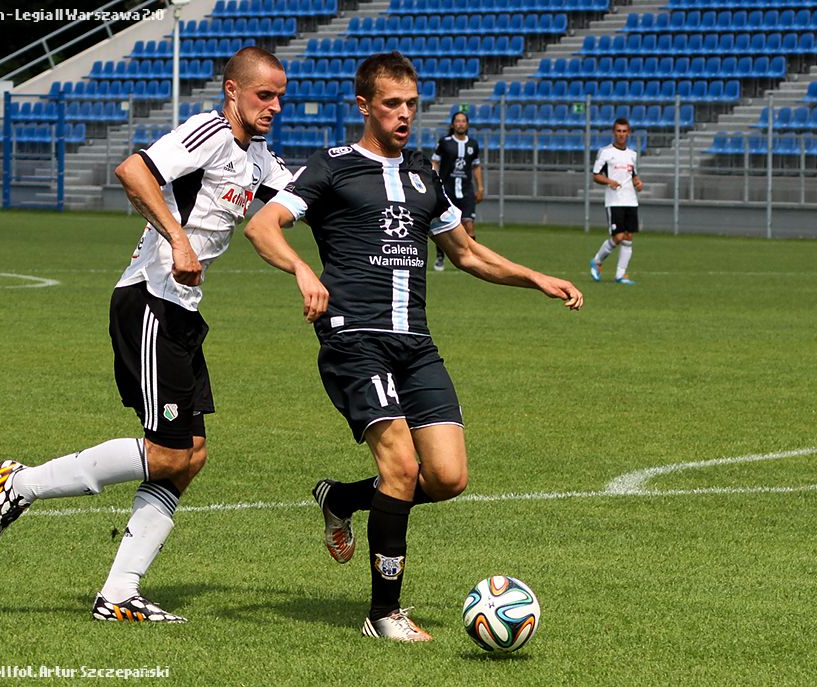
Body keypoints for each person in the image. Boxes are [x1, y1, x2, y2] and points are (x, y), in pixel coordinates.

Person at [243, 52, 583, 642]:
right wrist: (302, 270)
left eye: (411, 105)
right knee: (400, 468)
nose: (404, 115)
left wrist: (536, 277)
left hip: (416, 345)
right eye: (392, 104)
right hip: (354, 338)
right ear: (365, 106)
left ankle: (342, 499)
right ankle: (384, 613)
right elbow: (262, 225)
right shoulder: (332, 167)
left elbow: (466, 253)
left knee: (448, 477)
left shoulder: (425, 178)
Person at [0, 46, 292, 623]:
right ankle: (22, 483)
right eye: (263, 95)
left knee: (190, 457)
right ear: (233, 91)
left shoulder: (259, 158)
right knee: (168, 452)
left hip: (183, 312)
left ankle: (119, 594)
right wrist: (178, 239)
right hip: (149, 301)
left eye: (280, 97)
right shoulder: (208, 132)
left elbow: (304, 194)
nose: (273, 106)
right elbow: (132, 170)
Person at [589, 117, 643, 285]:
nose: (621, 134)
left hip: (631, 200)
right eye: (618, 131)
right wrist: (609, 181)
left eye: (624, 131)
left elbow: (633, 175)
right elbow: (596, 175)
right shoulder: (605, 152)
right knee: (618, 236)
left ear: (629, 133)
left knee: (628, 237)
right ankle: (597, 260)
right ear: (614, 133)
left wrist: (637, 182)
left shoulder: (632, 154)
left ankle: (620, 275)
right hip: (614, 201)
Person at [430, 110, 483, 271]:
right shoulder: (445, 142)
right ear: (453, 125)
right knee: (444, 225)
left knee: (469, 224)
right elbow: (435, 161)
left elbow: (476, 166)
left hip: (466, 190)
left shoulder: (473, 144)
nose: (460, 124)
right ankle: (440, 257)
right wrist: (433, 180)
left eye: (463, 121)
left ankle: (473, 259)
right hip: (447, 190)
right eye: (457, 121)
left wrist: (480, 187)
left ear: (467, 124)